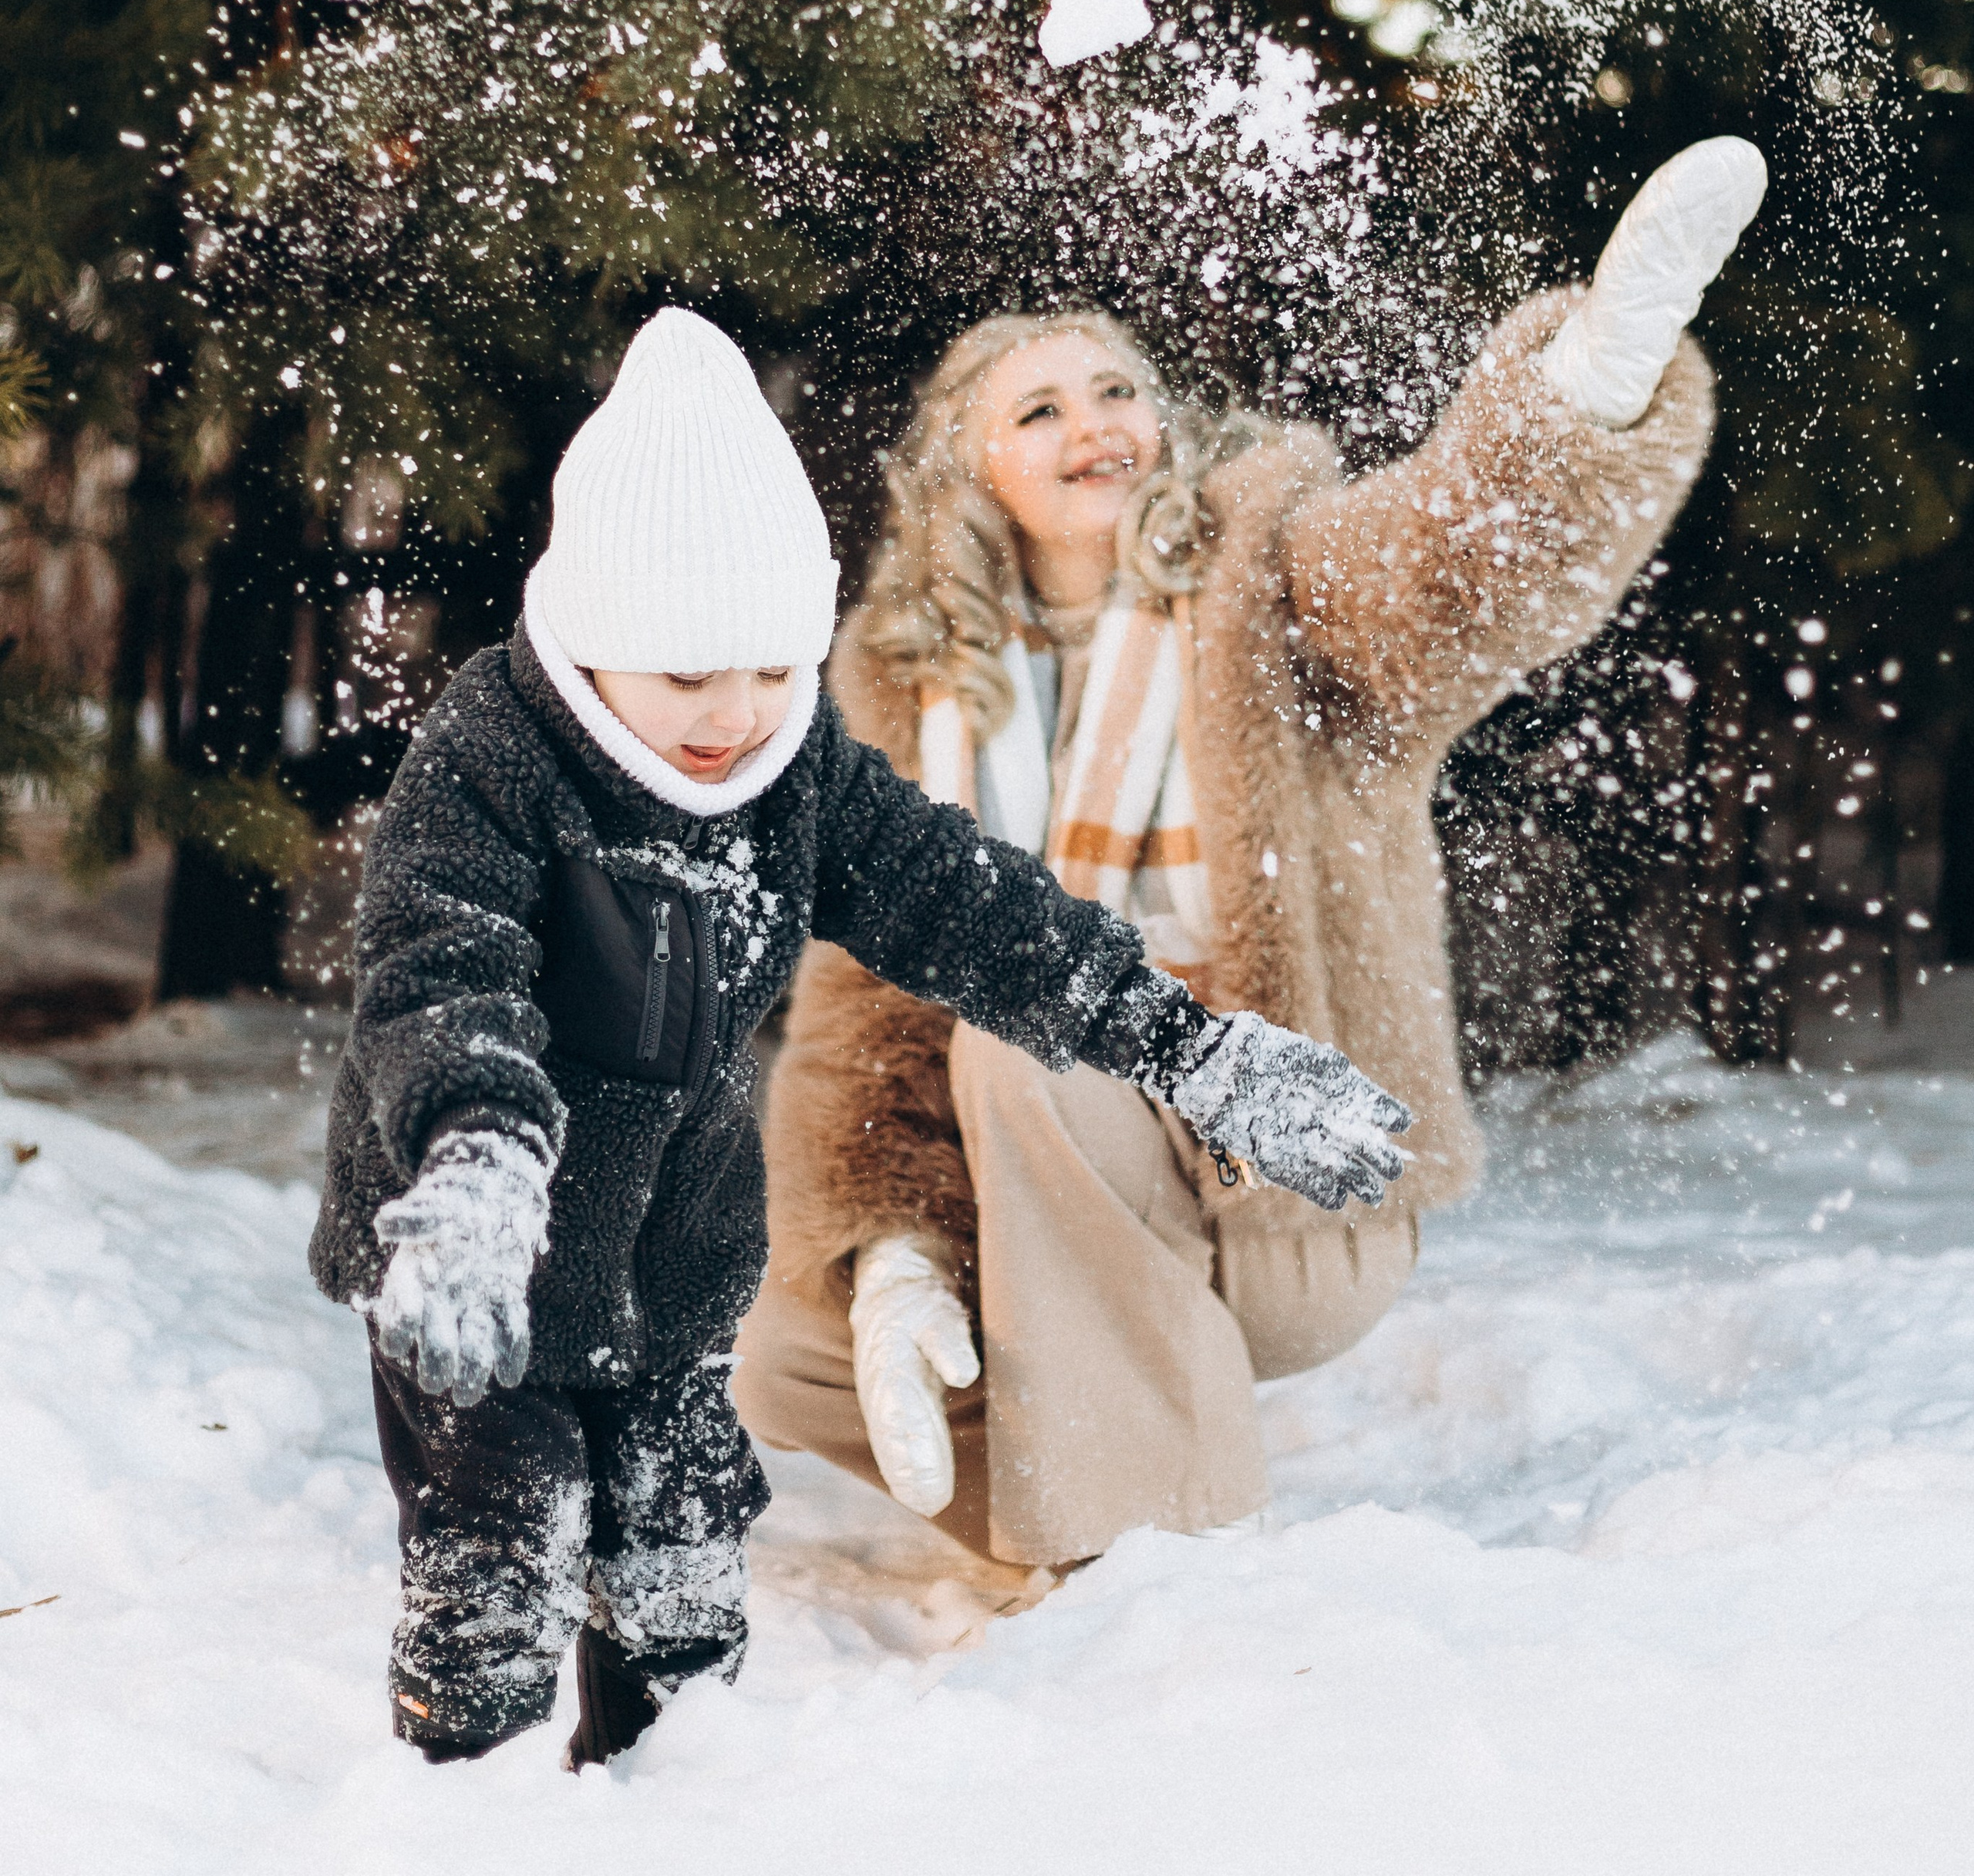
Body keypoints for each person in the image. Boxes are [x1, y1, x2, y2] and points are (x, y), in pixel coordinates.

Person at [308, 307, 1410, 1771]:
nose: (732, 714)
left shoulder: (792, 766)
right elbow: (444, 982)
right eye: (686, 672)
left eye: (768, 667)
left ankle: (662, 1804)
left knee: (680, 1571)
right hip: (484, 1250)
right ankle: (468, 1816)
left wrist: (1191, 1050)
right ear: (588, 640)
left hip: (666, 1254)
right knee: (503, 1559)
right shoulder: (491, 765)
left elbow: (980, 912)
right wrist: (481, 1170)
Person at [736, 137, 1766, 1573]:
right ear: (968, 473)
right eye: (1040, 407)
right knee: (790, 1349)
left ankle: (1145, 1553)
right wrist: (900, 1257)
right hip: (1030, 1185)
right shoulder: (913, 695)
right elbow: (867, 1011)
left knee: (1030, 1034)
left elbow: (1452, 564)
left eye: (1118, 389)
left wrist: (1586, 383)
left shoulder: (1278, 586)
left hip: (1284, 1181)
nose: (1096, 422)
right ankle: (1102, 1517)